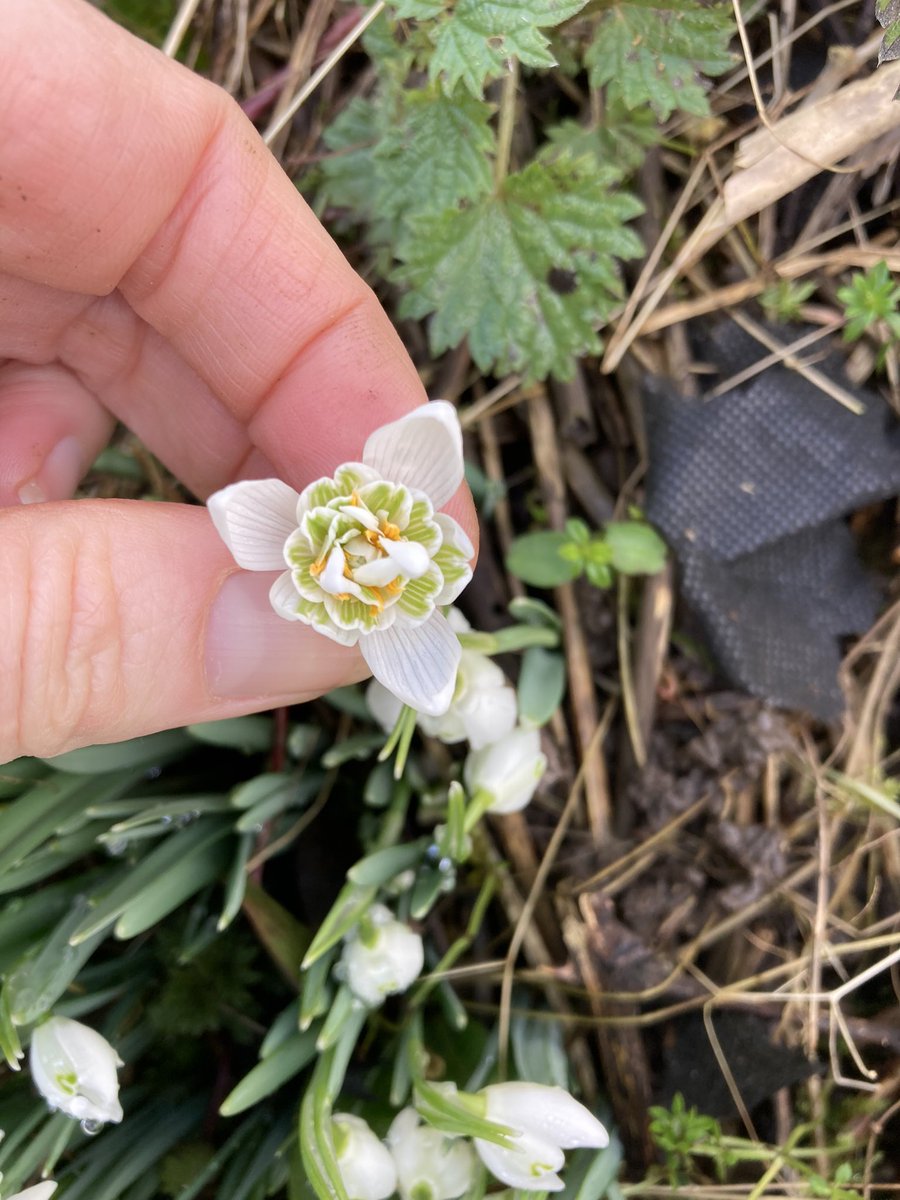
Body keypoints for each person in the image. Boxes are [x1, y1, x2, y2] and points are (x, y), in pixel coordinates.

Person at [0, 0, 475, 764]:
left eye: (363, 560)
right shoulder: (316, 523)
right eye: (373, 551)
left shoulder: (378, 543)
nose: (366, 556)